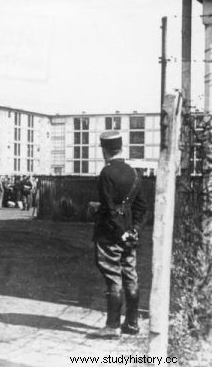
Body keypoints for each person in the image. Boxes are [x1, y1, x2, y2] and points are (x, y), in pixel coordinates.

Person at [91, 131, 147, 338]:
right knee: (131, 276)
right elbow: (141, 208)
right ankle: (132, 324)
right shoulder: (134, 173)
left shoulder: (107, 173)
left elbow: (109, 207)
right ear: (120, 148)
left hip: (109, 234)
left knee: (113, 278)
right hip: (130, 235)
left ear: (104, 149)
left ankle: (111, 327)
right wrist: (134, 230)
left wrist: (120, 232)